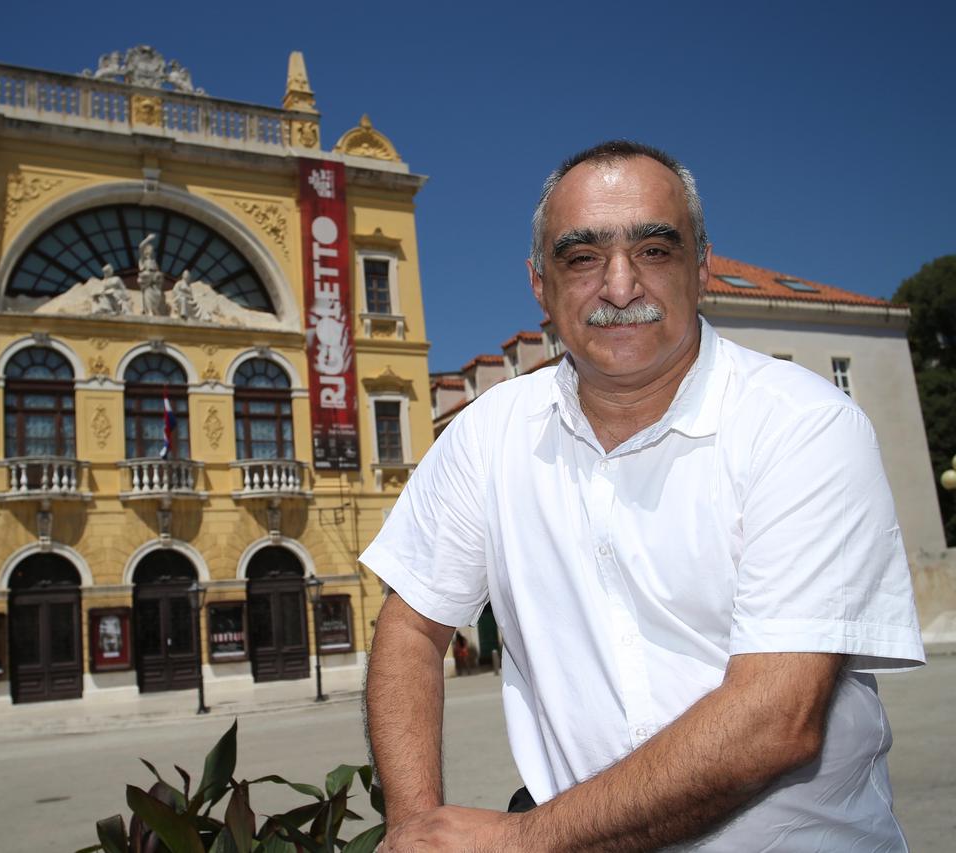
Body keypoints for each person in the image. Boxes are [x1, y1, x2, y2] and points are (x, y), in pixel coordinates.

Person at [362, 140, 925, 852]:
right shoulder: (487, 436)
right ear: (540, 284)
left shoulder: (805, 425)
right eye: (582, 257)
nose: (621, 286)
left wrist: (523, 840)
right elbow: (411, 627)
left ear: (702, 267)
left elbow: (776, 719)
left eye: (654, 251)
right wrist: (414, 827)